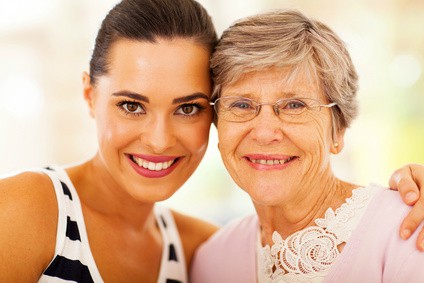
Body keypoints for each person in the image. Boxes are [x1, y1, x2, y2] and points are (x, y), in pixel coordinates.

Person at [0, 1, 422, 282]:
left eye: (187, 107)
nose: (160, 140)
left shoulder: (195, 250)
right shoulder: (26, 212)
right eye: (132, 105)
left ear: (340, 128)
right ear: (90, 96)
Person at [190, 9, 424, 283]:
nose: (265, 133)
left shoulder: (409, 229)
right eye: (241, 105)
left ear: (338, 129)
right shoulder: (211, 260)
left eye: (294, 105)